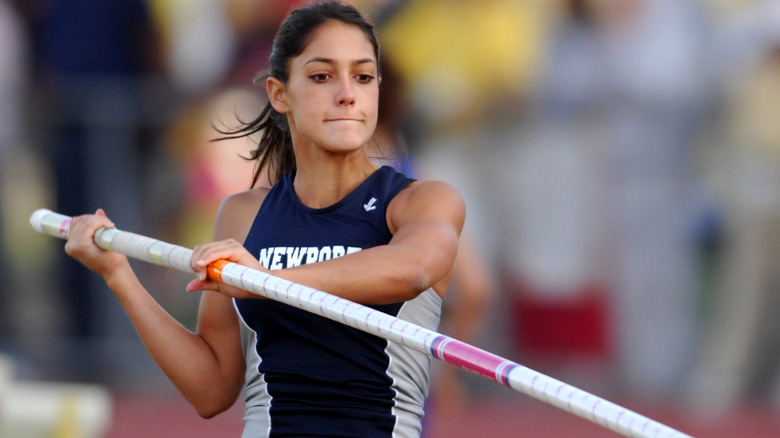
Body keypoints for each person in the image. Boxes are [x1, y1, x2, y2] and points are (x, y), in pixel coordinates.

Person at [62, 2, 465, 437]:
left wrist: (269, 280)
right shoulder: (244, 214)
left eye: (363, 76)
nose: (347, 92)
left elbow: (415, 268)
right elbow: (211, 390)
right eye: (322, 76)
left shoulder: (421, 201)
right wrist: (118, 275)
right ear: (279, 93)